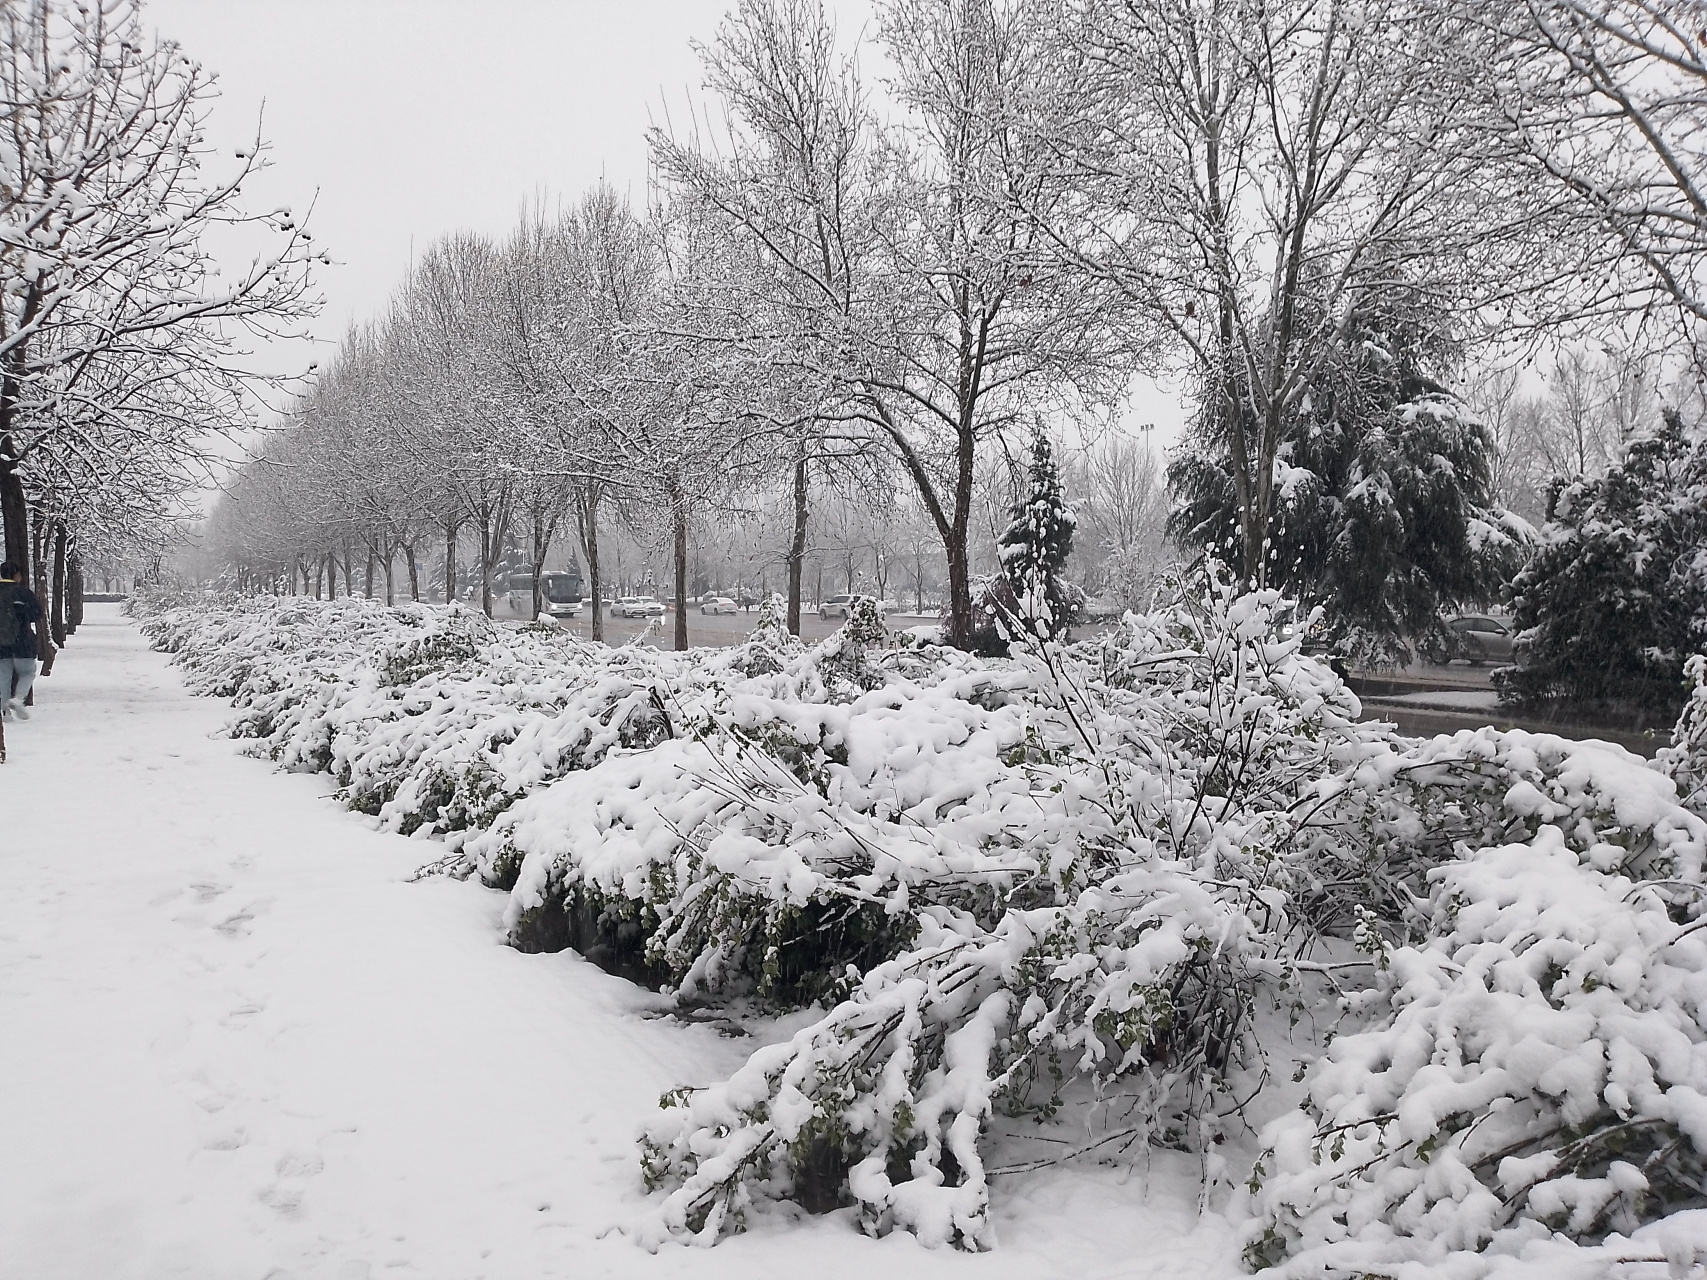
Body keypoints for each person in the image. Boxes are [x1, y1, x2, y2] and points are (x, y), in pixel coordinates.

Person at [0, 560, 42, 721]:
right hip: (21, 641)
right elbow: (37, 613)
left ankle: (4, 712)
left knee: (4, 675)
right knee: (27, 672)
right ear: (16, 575)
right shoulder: (23, 593)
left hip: (1, 643)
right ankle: (18, 699)